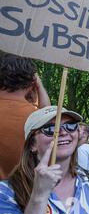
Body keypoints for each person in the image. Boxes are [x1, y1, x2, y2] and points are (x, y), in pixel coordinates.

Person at [0, 106, 89, 214]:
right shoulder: (6, 193)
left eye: (70, 125)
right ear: (32, 144)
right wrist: (39, 197)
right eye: (50, 128)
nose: (63, 132)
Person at [0, 52, 50, 180]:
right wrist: (40, 86)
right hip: (22, 196)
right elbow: (49, 118)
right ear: (32, 83)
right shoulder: (39, 120)